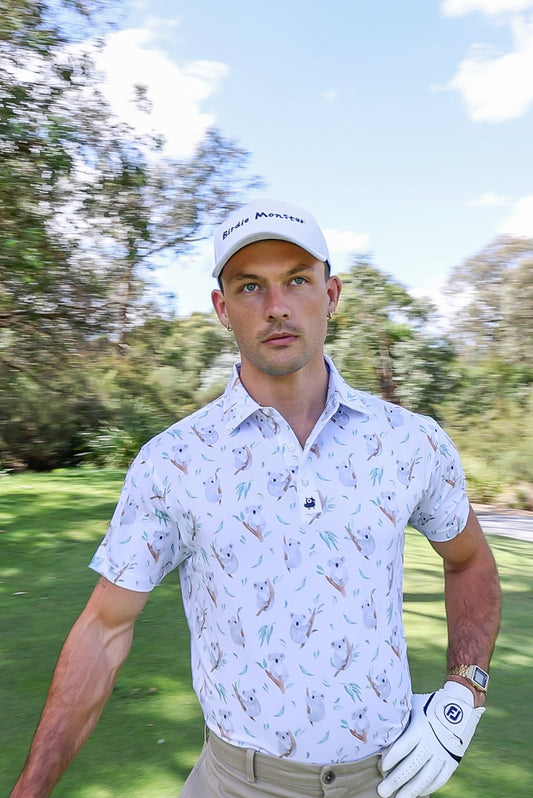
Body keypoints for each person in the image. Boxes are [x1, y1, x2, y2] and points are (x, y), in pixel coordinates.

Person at [11, 198, 501, 798]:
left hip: (386, 781)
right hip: (235, 784)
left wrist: (464, 693)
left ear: (331, 294)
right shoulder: (175, 461)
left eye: (297, 280)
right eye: (249, 286)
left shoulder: (409, 441)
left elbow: (470, 561)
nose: (276, 307)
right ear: (223, 308)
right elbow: (103, 631)